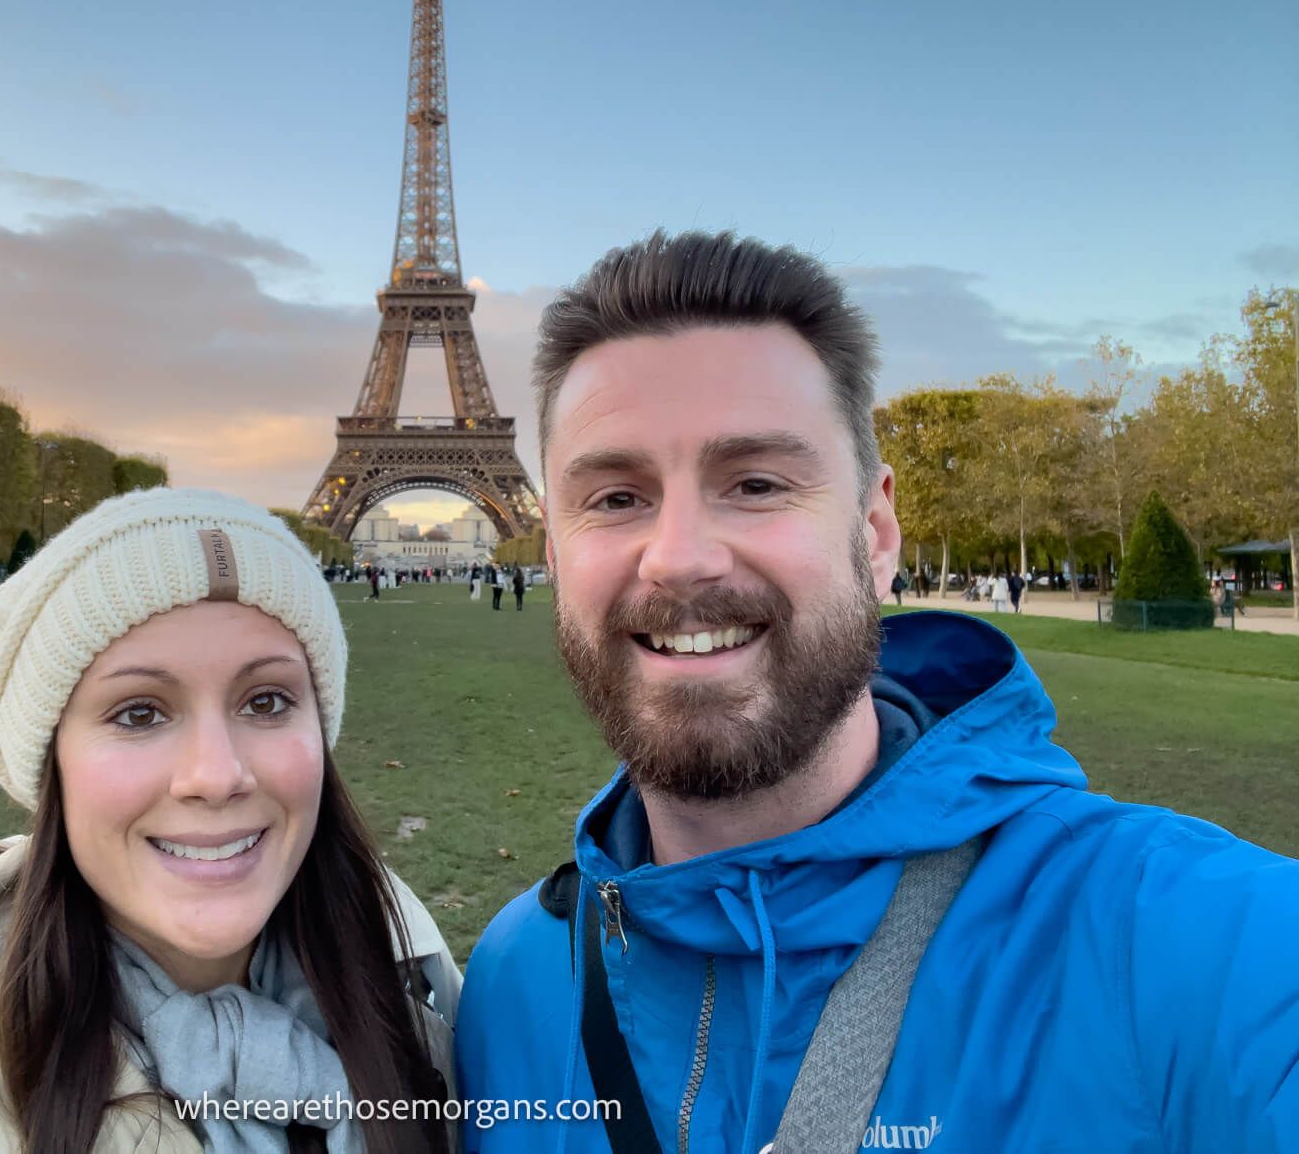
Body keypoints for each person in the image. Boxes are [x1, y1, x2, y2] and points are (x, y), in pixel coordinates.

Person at [453, 229, 1299, 1152]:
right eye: (615, 498)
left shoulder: (1193, 944)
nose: (680, 557)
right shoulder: (510, 983)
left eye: (757, 481)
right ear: (551, 554)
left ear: (877, 531)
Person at [0, 488, 458, 1153]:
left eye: (268, 701)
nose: (216, 775)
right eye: (139, 713)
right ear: (52, 764)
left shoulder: (442, 1020)